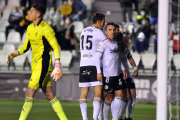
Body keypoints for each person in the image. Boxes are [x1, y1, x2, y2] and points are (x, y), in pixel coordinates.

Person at [6, 4, 67, 120]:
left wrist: (57, 66)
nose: (28, 13)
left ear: (38, 14)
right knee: (49, 95)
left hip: (42, 65)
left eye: (31, 11)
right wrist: (13, 54)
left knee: (29, 94)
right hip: (36, 65)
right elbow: (25, 47)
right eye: (29, 11)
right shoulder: (30, 28)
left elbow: (56, 47)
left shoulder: (46, 28)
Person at [79, 12, 119, 120]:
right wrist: (117, 45)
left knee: (83, 94)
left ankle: (84, 118)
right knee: (98, 93)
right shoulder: (99, 32)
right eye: (103, 22)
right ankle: (94, 117)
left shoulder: (83, 31)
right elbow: (111, 46)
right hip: (93, 66)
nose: (104, 24)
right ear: (98, 22)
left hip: (83, 65)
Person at [96, 23, 127, 120]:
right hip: (107, 75)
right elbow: (97, 57)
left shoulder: (115, 43)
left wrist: (123, 69)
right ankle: (101, 117)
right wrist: (98, 72)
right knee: (104, 96)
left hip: (116, 74)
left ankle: (114, 118)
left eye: (114, 30)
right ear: (105, 32)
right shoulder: (103, 43)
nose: (112, 32)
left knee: (120, 95)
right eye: (110, 30)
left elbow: (117, 58)